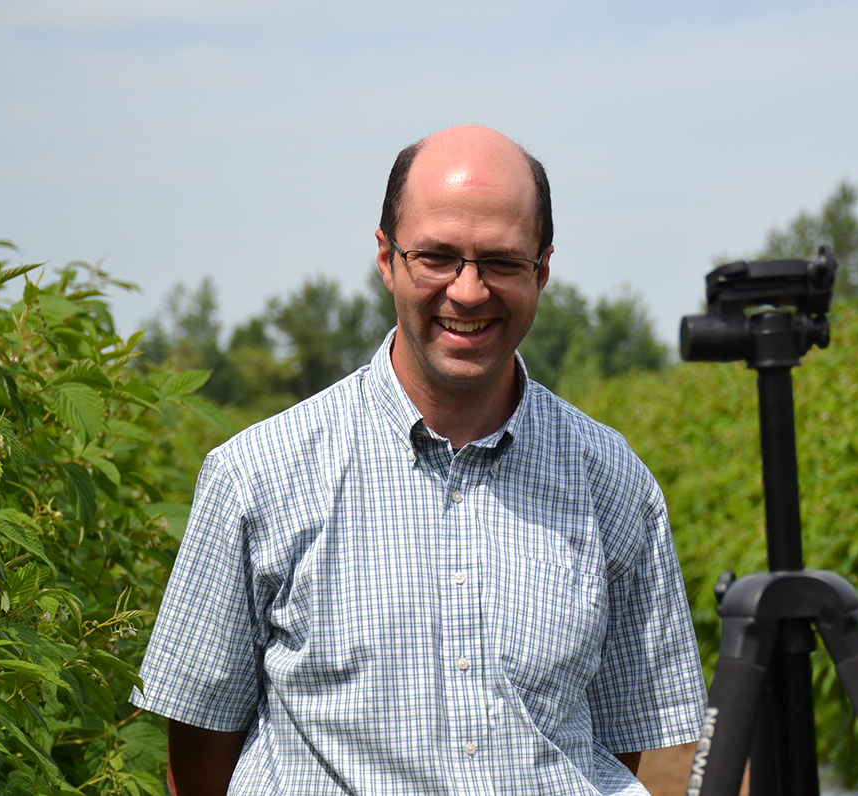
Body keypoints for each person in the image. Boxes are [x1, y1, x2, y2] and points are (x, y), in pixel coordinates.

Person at [132, 125, 706, 795]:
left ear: (541, 270)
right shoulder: (256, 476)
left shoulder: (611, 481)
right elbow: (199, 753)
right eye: (436, 257)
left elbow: (616, 746)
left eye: (500, 261)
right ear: (386, 259)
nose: (467, 292)